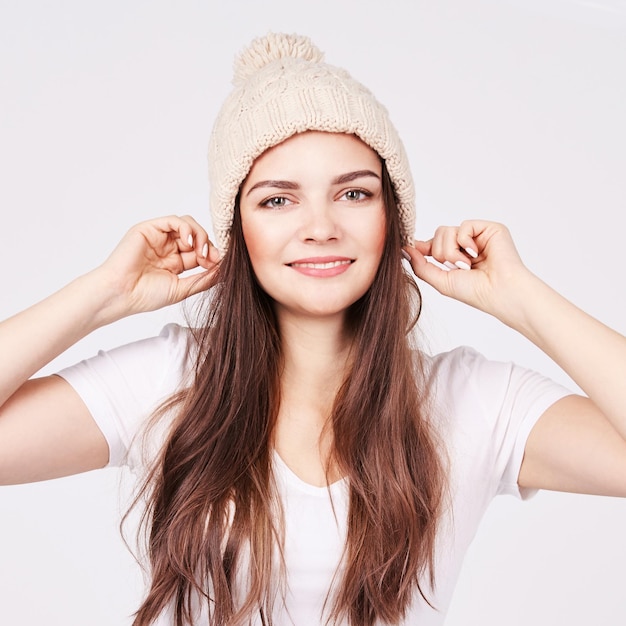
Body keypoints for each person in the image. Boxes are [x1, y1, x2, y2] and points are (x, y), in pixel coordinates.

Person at [0, 32, 625, 626]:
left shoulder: (474, 402)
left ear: (393, 215)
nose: (321, 226)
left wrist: (521, 299)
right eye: (278, 199)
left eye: (354, 194)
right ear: (238, 228)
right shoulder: (166, 382)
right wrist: (104, 294)